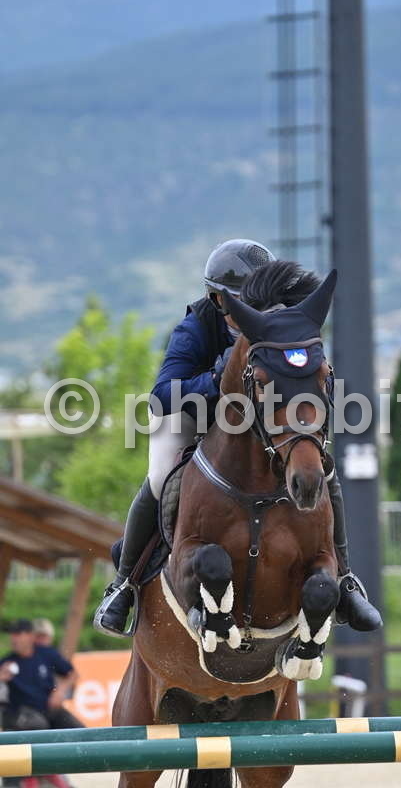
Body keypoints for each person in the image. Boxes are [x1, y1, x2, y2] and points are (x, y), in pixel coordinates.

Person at [94, 239, 382, 637]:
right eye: (243, 301)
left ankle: (345, 581)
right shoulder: (197, 326)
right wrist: (215, 378)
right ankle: (124, 584)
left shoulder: (285, 319)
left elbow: (310, 370)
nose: (255, 310)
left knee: (322, 469)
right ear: (218, 299)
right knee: (160, 478)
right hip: (196, 415)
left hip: (265, 421)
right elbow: (163, 393)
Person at [0, 619, 82, 788]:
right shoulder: (6, 662)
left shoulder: (46, 653)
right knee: (38, 726)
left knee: (78, 729)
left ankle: (52, 769)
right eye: (12, 634)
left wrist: (60, 691)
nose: (14, 638)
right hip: (20, 714)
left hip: (47, 708)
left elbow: (72, 674)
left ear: (30, 636)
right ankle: (40, 774)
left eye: (18, 634)